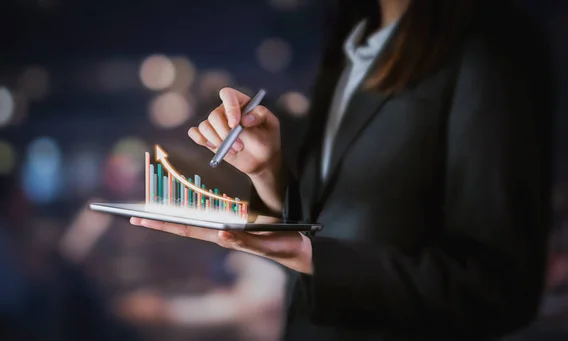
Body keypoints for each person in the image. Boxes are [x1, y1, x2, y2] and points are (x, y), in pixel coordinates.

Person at [130, 0, 553, 339]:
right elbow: (328, 224)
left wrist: (314, 257)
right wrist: (266, 172)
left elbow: (498, 291)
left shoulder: (489, 48)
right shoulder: (355, 52)